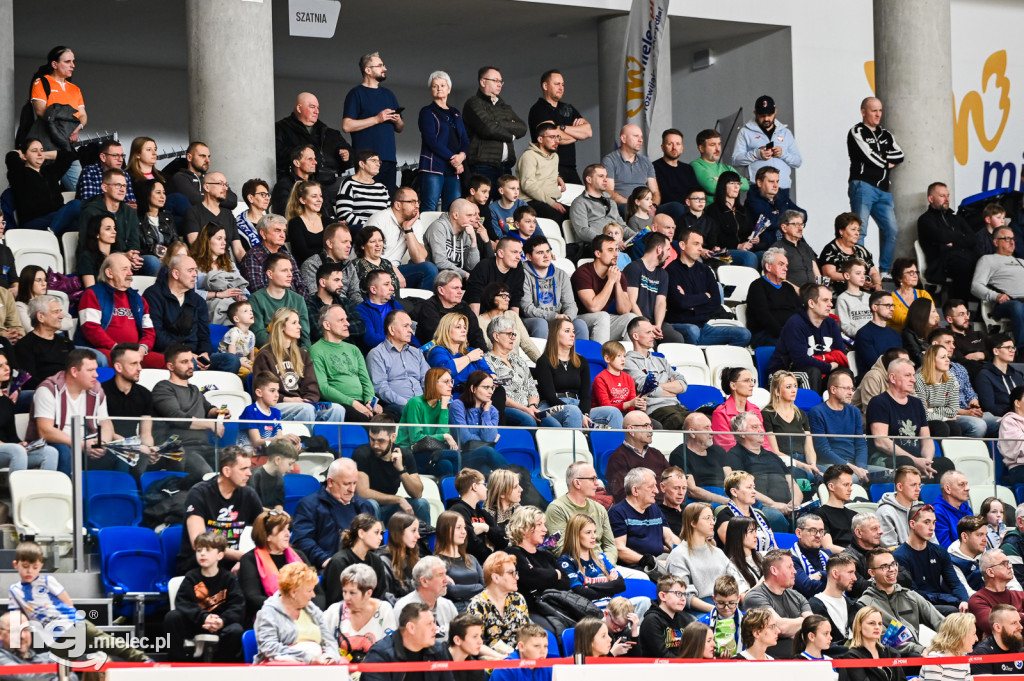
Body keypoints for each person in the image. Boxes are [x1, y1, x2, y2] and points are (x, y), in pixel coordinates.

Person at [8, 540, 149, 664]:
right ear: (16, 564)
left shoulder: (47, 581)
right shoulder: (14, 590)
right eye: (25, 566)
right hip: (55, 637)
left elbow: (68, 602)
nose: (30, 571)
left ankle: (143, 659)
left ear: (41, 565)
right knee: (57, 666)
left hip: (74, 623)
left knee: (108, 643)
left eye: (35, 567)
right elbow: (16, 617)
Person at [399, 368, 505, 479]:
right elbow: (416, 439)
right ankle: (514, 478)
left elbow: (442, 435)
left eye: (451, 382)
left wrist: (444, 408)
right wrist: (445, 436)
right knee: (466, 454)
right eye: (446, 382)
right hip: (409, 453)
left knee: (451, 465)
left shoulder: (442, 405)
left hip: (433, 452)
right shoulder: (416, 403)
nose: (451, 385)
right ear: (432, 383)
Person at [26, 348, 116, 476]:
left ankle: (112, 494)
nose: (96, 375)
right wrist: (81, 445)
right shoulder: (48, 389)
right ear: (74, 371)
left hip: (88, 442)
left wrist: (101, 444)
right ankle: (67, 494)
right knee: (63, 451)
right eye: (90, 370)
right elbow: (45, 430)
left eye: (95, 369)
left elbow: (105, 424)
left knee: (117, 454)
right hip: (57, 443)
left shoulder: (96, 389)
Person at [145, 254, 240, 373]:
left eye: (196, 270)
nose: (195, 274)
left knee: (231, 360)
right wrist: (187, 355)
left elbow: (204, 335)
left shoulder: (198, 301)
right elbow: (157, 335)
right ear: (175, 274)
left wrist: (204, 353)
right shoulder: (153, 295)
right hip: (168, 354)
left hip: (195, 356)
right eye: (191, 271)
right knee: (190, 364)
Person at [174, 446, 261, 574]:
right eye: (243, 469)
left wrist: (245, 560)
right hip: (199, 568)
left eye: (249, 468)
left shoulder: (249, 495)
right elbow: (199, 543)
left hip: (235, 568)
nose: (249, 473)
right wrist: (244, 557)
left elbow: (264, 534)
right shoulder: (199, 493)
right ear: (227, 471)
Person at [251, 307, 345, 422]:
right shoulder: (265, 355)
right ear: (281, 327)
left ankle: (324, 440)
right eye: (294, 323)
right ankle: (305, 440)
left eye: (299, 322)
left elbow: (311, 386)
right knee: (306, 410)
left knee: (337, 409)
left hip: (303, 404)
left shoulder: (302, 354)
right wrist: (286, 399)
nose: (299, 326)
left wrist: (308, 400)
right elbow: (262, 391)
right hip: (277, 405)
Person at [165, 531, 245, 662]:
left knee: (236, 630)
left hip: (220, 624)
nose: (202, 553)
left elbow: (237, 606)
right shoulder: (191, 577)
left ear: (220, 555)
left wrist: (222, 621)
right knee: (172, 617)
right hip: (196, 623)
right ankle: (177, 662)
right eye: (199, 550)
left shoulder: (228, 579)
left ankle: (220, 667)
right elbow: (184, 604)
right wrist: (204, 617)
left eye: (208, 550)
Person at [847, 97, 904, 276]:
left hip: (884, 191)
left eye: (880, 110)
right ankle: (861, 272)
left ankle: (885, 271)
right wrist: (887, 160)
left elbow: (900, 154)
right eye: (874, 110)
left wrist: (883, 156)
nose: (878, 114)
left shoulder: (886, 134)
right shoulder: (857, 131)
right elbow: (870, 157)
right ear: (864, 112)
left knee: (892, 230)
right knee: (860, 231)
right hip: (863, 186)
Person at [664, 229, 750, 346]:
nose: (700, 248)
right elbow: (680, 302)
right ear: (682, 245)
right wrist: (705, 296)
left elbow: (715, 302)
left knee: (744, 334)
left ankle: (716, 358)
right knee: (693, 331)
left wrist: (693, 306)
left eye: (701, 245)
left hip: (704, 327)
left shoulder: (705, 270)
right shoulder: (671, 270)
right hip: (681, 325)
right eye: (696, 244)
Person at [866, 357, 947, 480]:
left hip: (916, 458)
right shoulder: (879, 402)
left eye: (913, 375)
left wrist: (927, 462)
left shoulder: (917, 403)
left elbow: (926, 439)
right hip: (886, 458)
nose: (913, 380)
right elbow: (881, 442)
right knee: (906, 463)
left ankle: (931, 498)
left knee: (945, 464)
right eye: (908, 375)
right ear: (893, 378)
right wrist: (914, 461)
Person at [857, 548, 944, 655]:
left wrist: (954, 639)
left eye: (893, 564)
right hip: (891, 657)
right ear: (872, 572)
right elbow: (885, 640)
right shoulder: (865, 604)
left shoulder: (910, 596)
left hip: (917, 652)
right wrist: (921, 650)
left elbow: (940, 622)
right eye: (884, 566)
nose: (892, 569)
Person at [238, 509, 319, 622]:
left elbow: (318, 592)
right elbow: (253, 598)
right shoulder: (249, 559)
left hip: (303, 614)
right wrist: (288, 607)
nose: (288, 534)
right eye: (282, 530)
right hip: (268, 618)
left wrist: (305, 608)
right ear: (267, 536)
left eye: (288, 529)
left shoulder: (299, 555)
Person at [292, 458, 375, 569]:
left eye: (354, 483)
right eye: (346, 484)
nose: (352, 489)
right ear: (330, 482)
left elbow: (375, 538)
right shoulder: (309, 505)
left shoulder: (364, 505)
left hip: (361, 567)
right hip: (327, 567)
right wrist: (326, 561)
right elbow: (302, 540)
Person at [253, 562, 340, 664]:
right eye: (309, 591)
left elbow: (329, 641)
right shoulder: (268, 613)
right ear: (293, 592)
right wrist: (308, 658)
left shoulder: (312, 609)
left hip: (317, 665)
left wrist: (330, 657)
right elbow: (269, 648)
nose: (313, 595)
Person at [484, 315, 562, 428]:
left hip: (530, 408)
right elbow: (497, 395)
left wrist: (532, 406)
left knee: (555, 425)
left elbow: (532, 388)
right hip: (507, 408)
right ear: (496, 336)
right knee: (529, 421)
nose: (513, 338)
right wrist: (525, 409)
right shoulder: (486, 362)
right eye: (509, 334)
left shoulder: (518, 360)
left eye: (514, 334)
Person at [352, 414, 431, 525]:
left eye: (381, 441)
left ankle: (423, 540)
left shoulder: (404, 454)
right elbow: (363, 493)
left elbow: (417, 493)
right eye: (372, 439)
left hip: (391, 509)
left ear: (393, 438)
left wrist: (401, 470)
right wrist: (398, 499)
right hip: (367, 508)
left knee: (421, 504)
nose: (375, 445)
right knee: (371, 504)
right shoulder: (361, 454)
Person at [769, 283, 846, 393]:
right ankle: (810, 409)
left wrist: (830, 365)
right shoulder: (795, 323)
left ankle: (840, 410)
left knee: (843, 374)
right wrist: (828, 366)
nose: (830, 304)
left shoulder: (831, 323)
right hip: (783, 374)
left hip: (817, 370)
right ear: (811, 303)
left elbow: (840, 353)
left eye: (831, 300)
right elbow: (801, 360)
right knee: (812, 372)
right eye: (825, 300)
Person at [893, 504, 969, 615]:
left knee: (969, 607)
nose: (932, 527)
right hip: (915, 606)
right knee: (953, 611)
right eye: (926, 522)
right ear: (912, 524)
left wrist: (964, 601)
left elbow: (955, 583)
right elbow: (914, 593)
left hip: (939, 601)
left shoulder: (940, 551)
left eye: (934, 522)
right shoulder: (899, 556)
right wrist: (950, 599)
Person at [28, 46, 86, 188]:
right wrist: (65, 127)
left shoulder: (75, 89)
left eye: (73, 61)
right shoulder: (41, 82)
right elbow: (41, 111)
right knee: (45, 188)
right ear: (54, 64)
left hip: (66, 148)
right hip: (46, 145)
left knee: (80, 189)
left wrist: (78, 127)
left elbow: (83, 115)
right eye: (68, 61)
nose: (73, 65)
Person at [310, 305, 380, 421]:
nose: (347, 324)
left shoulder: (353, 349)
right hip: (339, 404)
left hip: (362, 403)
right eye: (341, 320)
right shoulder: (316, 350)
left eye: (346, 319)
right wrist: (353, 403)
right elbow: (323, 388)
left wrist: (369, 401)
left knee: (388, 420)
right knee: (363, 420)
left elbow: (365, 380)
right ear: (327, 325)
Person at [505, 506, 571, 629]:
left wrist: (541, 575)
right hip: (531, 609)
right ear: (524, 528)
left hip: (556, 606)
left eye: (544, 525)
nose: (545, 529)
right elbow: (530, 578)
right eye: (539, 525)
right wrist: (555, 574)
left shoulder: (546, 555)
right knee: (553, 632)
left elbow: (566, 583)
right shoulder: (511, 553)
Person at [461, 66, 527, 189]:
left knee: (505, 206)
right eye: (495, 80)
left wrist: (496, 123)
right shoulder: (473, 103)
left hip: (506, 166)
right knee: (481, 206)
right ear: (483, 82)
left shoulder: (505, 107)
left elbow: (522, 128)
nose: (499, 84)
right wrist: (511, 134)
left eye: (500, 81)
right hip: (483, 166)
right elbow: (488, 128)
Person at [364, 187, 438, 291]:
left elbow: (420, 259)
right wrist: (392, 270)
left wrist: (408, 230)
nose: (417, 205)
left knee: (429, 269)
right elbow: (368, 255)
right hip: (371, 270)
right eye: (412, 202)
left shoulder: (415, 223)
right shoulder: (380, 219)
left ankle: (420, 306)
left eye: (417, 202)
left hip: (396, 270)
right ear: (398, 205)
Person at [742, 548, 812, 657]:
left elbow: (813, 625)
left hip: (799, 649)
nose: (795, 571)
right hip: (770, 653)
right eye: (789, 567)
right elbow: (780, 627)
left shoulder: (797, 596)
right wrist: (803, 622)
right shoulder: (755, 597)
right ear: (774, 570)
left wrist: (800, 626)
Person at [609, 467, 680, 574]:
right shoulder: (617, 513)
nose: (656, 491)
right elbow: (620, 549)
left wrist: (682, 553)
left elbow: (670, 537)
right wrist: (649, 561)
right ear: (635, 491)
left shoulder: (654, 508)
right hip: (637, 566)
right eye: (651, 487)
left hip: (660, 559)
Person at [417, 70, 470, 212]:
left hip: (453, 169)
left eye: (442, 85)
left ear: (449, 89)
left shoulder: (456, 113)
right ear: (430, 90)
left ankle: (448, 235)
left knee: (453, 209)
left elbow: (465, 139)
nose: (439, 88)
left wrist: (462, 156)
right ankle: (426, 235)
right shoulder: (427, 112)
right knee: (429, 207)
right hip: (433, 167)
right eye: (435, 86)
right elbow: (431, 140)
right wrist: (454, 159)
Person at [545, 461, 619, 563]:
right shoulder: (557, 509)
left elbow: (610, 545)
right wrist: (592, 565)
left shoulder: (599, 508)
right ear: (577, 483)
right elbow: (561, 549)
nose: (597, 483)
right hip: (576, 567)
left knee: (641, 577)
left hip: (604, 564)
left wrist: (607, 565)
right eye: (592, 479)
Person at [623, 317, 689, 430]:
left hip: (677, 406)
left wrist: (657, 385)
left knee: (702, 420)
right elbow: (647, 387)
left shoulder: (661, 360)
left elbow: (683, 385)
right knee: (681, 423)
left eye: (653, 332)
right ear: (635, 336)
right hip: (655, 410)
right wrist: (672, 390)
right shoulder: (628, 362)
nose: (653, 336)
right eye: (648, 332)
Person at [322, 563, 396, 662]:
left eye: (352, 593)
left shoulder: (384, 609)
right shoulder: (334, 610)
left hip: (373, 672)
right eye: (344, 592)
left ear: (368, 593)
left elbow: (390, 648)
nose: (346, 598)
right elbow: (323, 645)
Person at [527, 70, 591, 184]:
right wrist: (578, 136)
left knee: (578, 200)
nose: (561, 88)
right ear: (545, 86)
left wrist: (562, 128)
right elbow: (553, 138)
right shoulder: (539, 109)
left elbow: (588, 132)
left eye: (562, 84)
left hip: (571, 168)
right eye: (557, 84)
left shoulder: (568, 108)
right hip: (548, 168)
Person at [361, 604, 456, 681]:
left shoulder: (438, 650)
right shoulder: (380, 655)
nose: (435, 628)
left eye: (434, 623)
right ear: (411, 628)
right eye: (429, 624)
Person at [732, 95, 802, 197]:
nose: (766, 119)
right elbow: (735, 160)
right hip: (757, 189)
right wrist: (756, 154)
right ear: (755, 113)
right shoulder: (745, 132)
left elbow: (797, 162)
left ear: (775, 112)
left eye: (769, 115)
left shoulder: (785, 133)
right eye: (762, 115)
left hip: (782, 188)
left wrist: (783, 154)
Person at [572, 235, 638, 344]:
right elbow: (594, 307)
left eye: (616, 250)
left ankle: (630, 359)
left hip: (601, 323)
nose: (616, 254)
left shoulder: (617, 274)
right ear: (598, 253)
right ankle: (601, 358)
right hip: (579, 322)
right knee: (603, 316)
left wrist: (617, 282)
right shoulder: (583, 273)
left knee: (632, 318)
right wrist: (610, 281)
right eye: (610, 250)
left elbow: (624, 310)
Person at [666, 503, 730, 614]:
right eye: (707, 518)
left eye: (713, 518)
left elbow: (736, 582)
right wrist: (717, 610)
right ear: (693, 523)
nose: (713, 522)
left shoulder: (718, 552)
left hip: (725, 605)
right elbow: (683, 595)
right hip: (696, 611)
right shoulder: (678, 555)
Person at [519, 234, 587, 339]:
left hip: (558, 319)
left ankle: (579, 356)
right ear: (529, 257)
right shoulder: (522, 275)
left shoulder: (561, 275)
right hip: (532, 319)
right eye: (540, 253)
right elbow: (527, 309)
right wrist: (554, 317)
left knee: (580, 325)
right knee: (541, 324)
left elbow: (570, 304)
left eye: (548, 251)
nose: (546, 256)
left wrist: (567, 318)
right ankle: (542, 356)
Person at [809, 370, 873, 481]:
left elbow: (861, 444)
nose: (851, 393)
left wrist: (861, 468)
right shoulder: (817, 412)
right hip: (831, 465)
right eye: (847, 388)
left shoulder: (854, 412)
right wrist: (852, 468)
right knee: (852, 479)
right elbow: (823, 450)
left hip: (855, 465)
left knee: (892, 476)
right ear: (833, 389)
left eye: (852, 389)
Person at [4, 138, 78, 232]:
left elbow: (68, 156)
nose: (39, 153)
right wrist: (19, 152)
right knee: (76, 205)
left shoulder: (50, 172)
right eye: (34, 151)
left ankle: (52, 230)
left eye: (41, 150)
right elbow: (11, 156)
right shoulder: (19, 174)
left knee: (81, 219)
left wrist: (43, 155)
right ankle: (52, 231)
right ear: (24, 156)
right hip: (34, 222)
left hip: (57, 217)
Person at [558, 512, 628, 610]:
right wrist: (610, 586)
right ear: (575, 535)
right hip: (589, 612)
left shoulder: (600, 557)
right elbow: (580, 592)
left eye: (594, 532)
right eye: (588, 532)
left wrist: (590, 587)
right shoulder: (566, 561)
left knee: (643, 601)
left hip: (611, 608)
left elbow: (620, 584)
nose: (594, 536)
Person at [917, 182, 975, 299]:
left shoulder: (956, 218)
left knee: (983, 261)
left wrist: (953, 242)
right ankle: (959, 305)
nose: (947, 199)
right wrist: (961, 237)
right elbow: (941, 237)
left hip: (961, 257)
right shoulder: (925, 220)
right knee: (963, 265)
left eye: (948, 195)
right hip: (939, 264)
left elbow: (973, 238)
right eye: (942, 196)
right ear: (931, 199)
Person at [466, 551, 531, 652]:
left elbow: (527, 635)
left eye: (516, 573)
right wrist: (504, 659)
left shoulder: (518, 599)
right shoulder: (477, 605)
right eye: (511, 573)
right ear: (495, 578)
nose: (517, 577)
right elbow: (474, 644)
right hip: (492, 661)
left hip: (518, 657)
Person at [367, 310, 428, 416]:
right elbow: (381, 388)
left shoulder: (416, 352)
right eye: (406, 326)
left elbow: (427, 379)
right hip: (397, 406)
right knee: (407, 411)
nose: (410, 331)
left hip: (422, 404)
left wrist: (429, 401)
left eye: (411, 326)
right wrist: (407, 403)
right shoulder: (377, 354)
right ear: (392, 330)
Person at [763, 370, 822, 480]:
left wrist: (813, 465)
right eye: (788, 387)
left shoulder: (801, 414)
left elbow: (809, 448)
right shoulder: (767, 414)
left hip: (805, 461)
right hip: (785, 463)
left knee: (834, 475)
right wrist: (804, 466)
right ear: (777, 391)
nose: (794, 390)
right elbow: (775, 451)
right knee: (810, 477)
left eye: (795, 386)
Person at [971, 227, 1024, 348]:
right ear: (996, 242)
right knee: (1017, 307)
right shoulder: (987, 260)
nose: (1011, 242)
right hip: (1007, 304)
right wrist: (996, 296)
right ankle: (1022, 349)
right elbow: (975, 286)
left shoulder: (1021, 262)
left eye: (1013, 239)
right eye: (1006, 239)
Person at [916, 344, 983, 438]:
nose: (948, 360)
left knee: (954, 428)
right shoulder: (919, 379)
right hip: (924, 420)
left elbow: (953, 410)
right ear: (932, 360)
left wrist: (931, 409)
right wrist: (944, 417)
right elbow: (922, 413)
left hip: (945, 418)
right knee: (942, 427)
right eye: (943, 357)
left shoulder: (951, 378)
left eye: (947, 356)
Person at [14, 291, 77, 392]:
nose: (61, 316)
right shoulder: (25, 345)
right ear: (40, 317)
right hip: (43, 393)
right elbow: (29, 381)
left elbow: (76, 371)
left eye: (60, 311)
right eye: (56, 312)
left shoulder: (66, 342)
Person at [322, 513, 390, 604]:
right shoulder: (339, 562)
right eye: (376, 532)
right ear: (361, 533)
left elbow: (381, 594)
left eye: (381, 533)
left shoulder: (376, 560)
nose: (381, 538)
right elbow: (336, 599)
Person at [449, 376, 502, 489]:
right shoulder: (458, 405)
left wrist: (485, 412)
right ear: (473, 388)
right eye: (486, 387)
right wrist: (489, 442)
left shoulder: (492, 410)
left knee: (485, 471)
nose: (490, 391)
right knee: (487, 451)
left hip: (482, 459)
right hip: (462, 456)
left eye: (492, 388)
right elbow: (464, 438)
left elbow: (488, 437)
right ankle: (516, 479)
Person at [605, 410, 669, 502]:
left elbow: (670, 481)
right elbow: (621, 494)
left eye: (651, 426)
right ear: (631, 430)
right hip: (642, 509)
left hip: (665, 506)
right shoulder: (618, 457)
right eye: (646, 426)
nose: (650, 430)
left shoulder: (656, 454)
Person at [239, 213, 308, 298]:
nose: (283, 235)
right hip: (271, 307)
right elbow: (257, 289)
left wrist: (299, 303)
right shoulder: (253, 256)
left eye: (284, 231)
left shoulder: (286, 254)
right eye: (277, 230)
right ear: (263, 234)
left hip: (295, 304)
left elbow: (301, 285)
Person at [249, 255, 311, 349]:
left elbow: (305, 335)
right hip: (270, 351)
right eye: (284, 270)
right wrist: (284, 349)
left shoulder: (298, 299)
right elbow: (259, 335)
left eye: (290, 270)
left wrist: (303, 352)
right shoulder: (256, 299)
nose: (290, 274)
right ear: (270, 274)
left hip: (296, 351)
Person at [393, 556, 460, 641]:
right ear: (424, 581)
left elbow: (459, 640)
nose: (447, 580)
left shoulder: (448, 606)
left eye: (445, 574)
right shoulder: (403, 608)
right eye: (440, 575)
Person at [746, 247, 802, 347]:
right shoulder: (757, 286)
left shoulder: (788, 287)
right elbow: (764, 317)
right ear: (768, 267)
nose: (786, 269)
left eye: (786, 265)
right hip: (766, 334)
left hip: (791, 333)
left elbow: (799, 312)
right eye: (781, 264)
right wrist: (785, 334)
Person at [0, 610, 76, 681]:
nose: (22, 636)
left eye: (26, 630)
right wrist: (60, 672)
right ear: (1, 634)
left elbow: (72, 677)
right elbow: (25, 676)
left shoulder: (47, 658)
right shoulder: (1, 658)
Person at [423, 199, 490, 279]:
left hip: (453, 278)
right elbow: (440, 262)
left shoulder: (466, 231)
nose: (472, 219)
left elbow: (472, 267)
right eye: (469, 215)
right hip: (434, 276)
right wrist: (465, 274)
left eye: (473, 215)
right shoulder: (438, 227)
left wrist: (473, 240)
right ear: (455, 215)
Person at [838, 605, 907, 681]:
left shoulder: (891, 653)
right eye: (871, 623)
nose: (877, 627)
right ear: (859, 626)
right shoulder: (851, 656)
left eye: (880, 624)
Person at [714, 470, 779, 549]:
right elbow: (735, 551)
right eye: (749, 487)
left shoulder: (760, 517)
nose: (754, 491)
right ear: (734, 492)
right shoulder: (724, 518)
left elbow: (775, 548)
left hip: (766, 559)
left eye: (754, 487)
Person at [434, 511, 485, 610]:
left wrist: (469, 590)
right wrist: (478, 587)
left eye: (464, 528)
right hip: (454, 610)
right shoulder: (436, 562)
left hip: (478, 607)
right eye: (458, 528)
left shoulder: (471, 559)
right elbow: (453, 591)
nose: (464, 532)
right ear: (445, 530)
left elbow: (487, 587)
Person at [426, 311, 491, 389]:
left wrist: (494, 378)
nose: (464, 330)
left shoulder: (472, 351)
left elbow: (487, 372)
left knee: (499, 391)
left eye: (464, 327)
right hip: (456, 395)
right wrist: (469, 358)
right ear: (446, 330)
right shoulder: (437, 351)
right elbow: (445, 371)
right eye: (458, 327)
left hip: (480, 393)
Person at [477, 282, 540, 362]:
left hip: (516, 366)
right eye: (503, 296)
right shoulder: (478, 321)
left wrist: (544, 365)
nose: (508, 299)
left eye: (508, 296)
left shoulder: (512, 315)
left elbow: (527, 344)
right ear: (491, 297)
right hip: (491, 367)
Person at [820, 213, 883, 292]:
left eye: (858, 230)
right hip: (840, 293)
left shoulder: (861, 250)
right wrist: (857, 280)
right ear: (841, 231)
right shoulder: (830, 249)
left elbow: (873, 272)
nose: (857, 233)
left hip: (864, 292)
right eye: (853, 229)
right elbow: (830, 274)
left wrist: (877, 284)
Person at [569, 164, 632, 244]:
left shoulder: (611, 202)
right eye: (601, 176)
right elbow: (583, 231)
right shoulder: (579, 203)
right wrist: (608, 241)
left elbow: (622, 227)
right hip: (594, 245)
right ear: (589, 179)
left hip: (615, 244)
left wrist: (637, 236)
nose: (606, 180)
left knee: (645, 244)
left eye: (606, 176)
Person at [516, 123, 566, 222]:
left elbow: (547, 172)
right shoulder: (529, 156)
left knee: (574, 214)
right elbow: (528, 185)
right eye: (552, 137)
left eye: (558, 137)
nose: (556, 141)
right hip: (531, 201)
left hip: (550, 200)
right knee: (557, 216)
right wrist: (551, 203)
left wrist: (558, 177)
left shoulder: (555, 156)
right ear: (540, 139)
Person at [809, 553, 860, 650]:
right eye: (850, 572)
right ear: (835, 573)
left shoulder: (855, 606)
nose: (855, 578)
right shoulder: (815, 605)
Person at [167, 142, 238, 211]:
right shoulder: (180, 177)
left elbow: (233, 201)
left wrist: (206, 197)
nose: (207, 160)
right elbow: (194, 200)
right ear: (189, 157)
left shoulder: (212, 178)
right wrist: (219, 197)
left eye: (208, 156)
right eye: (202, 156)